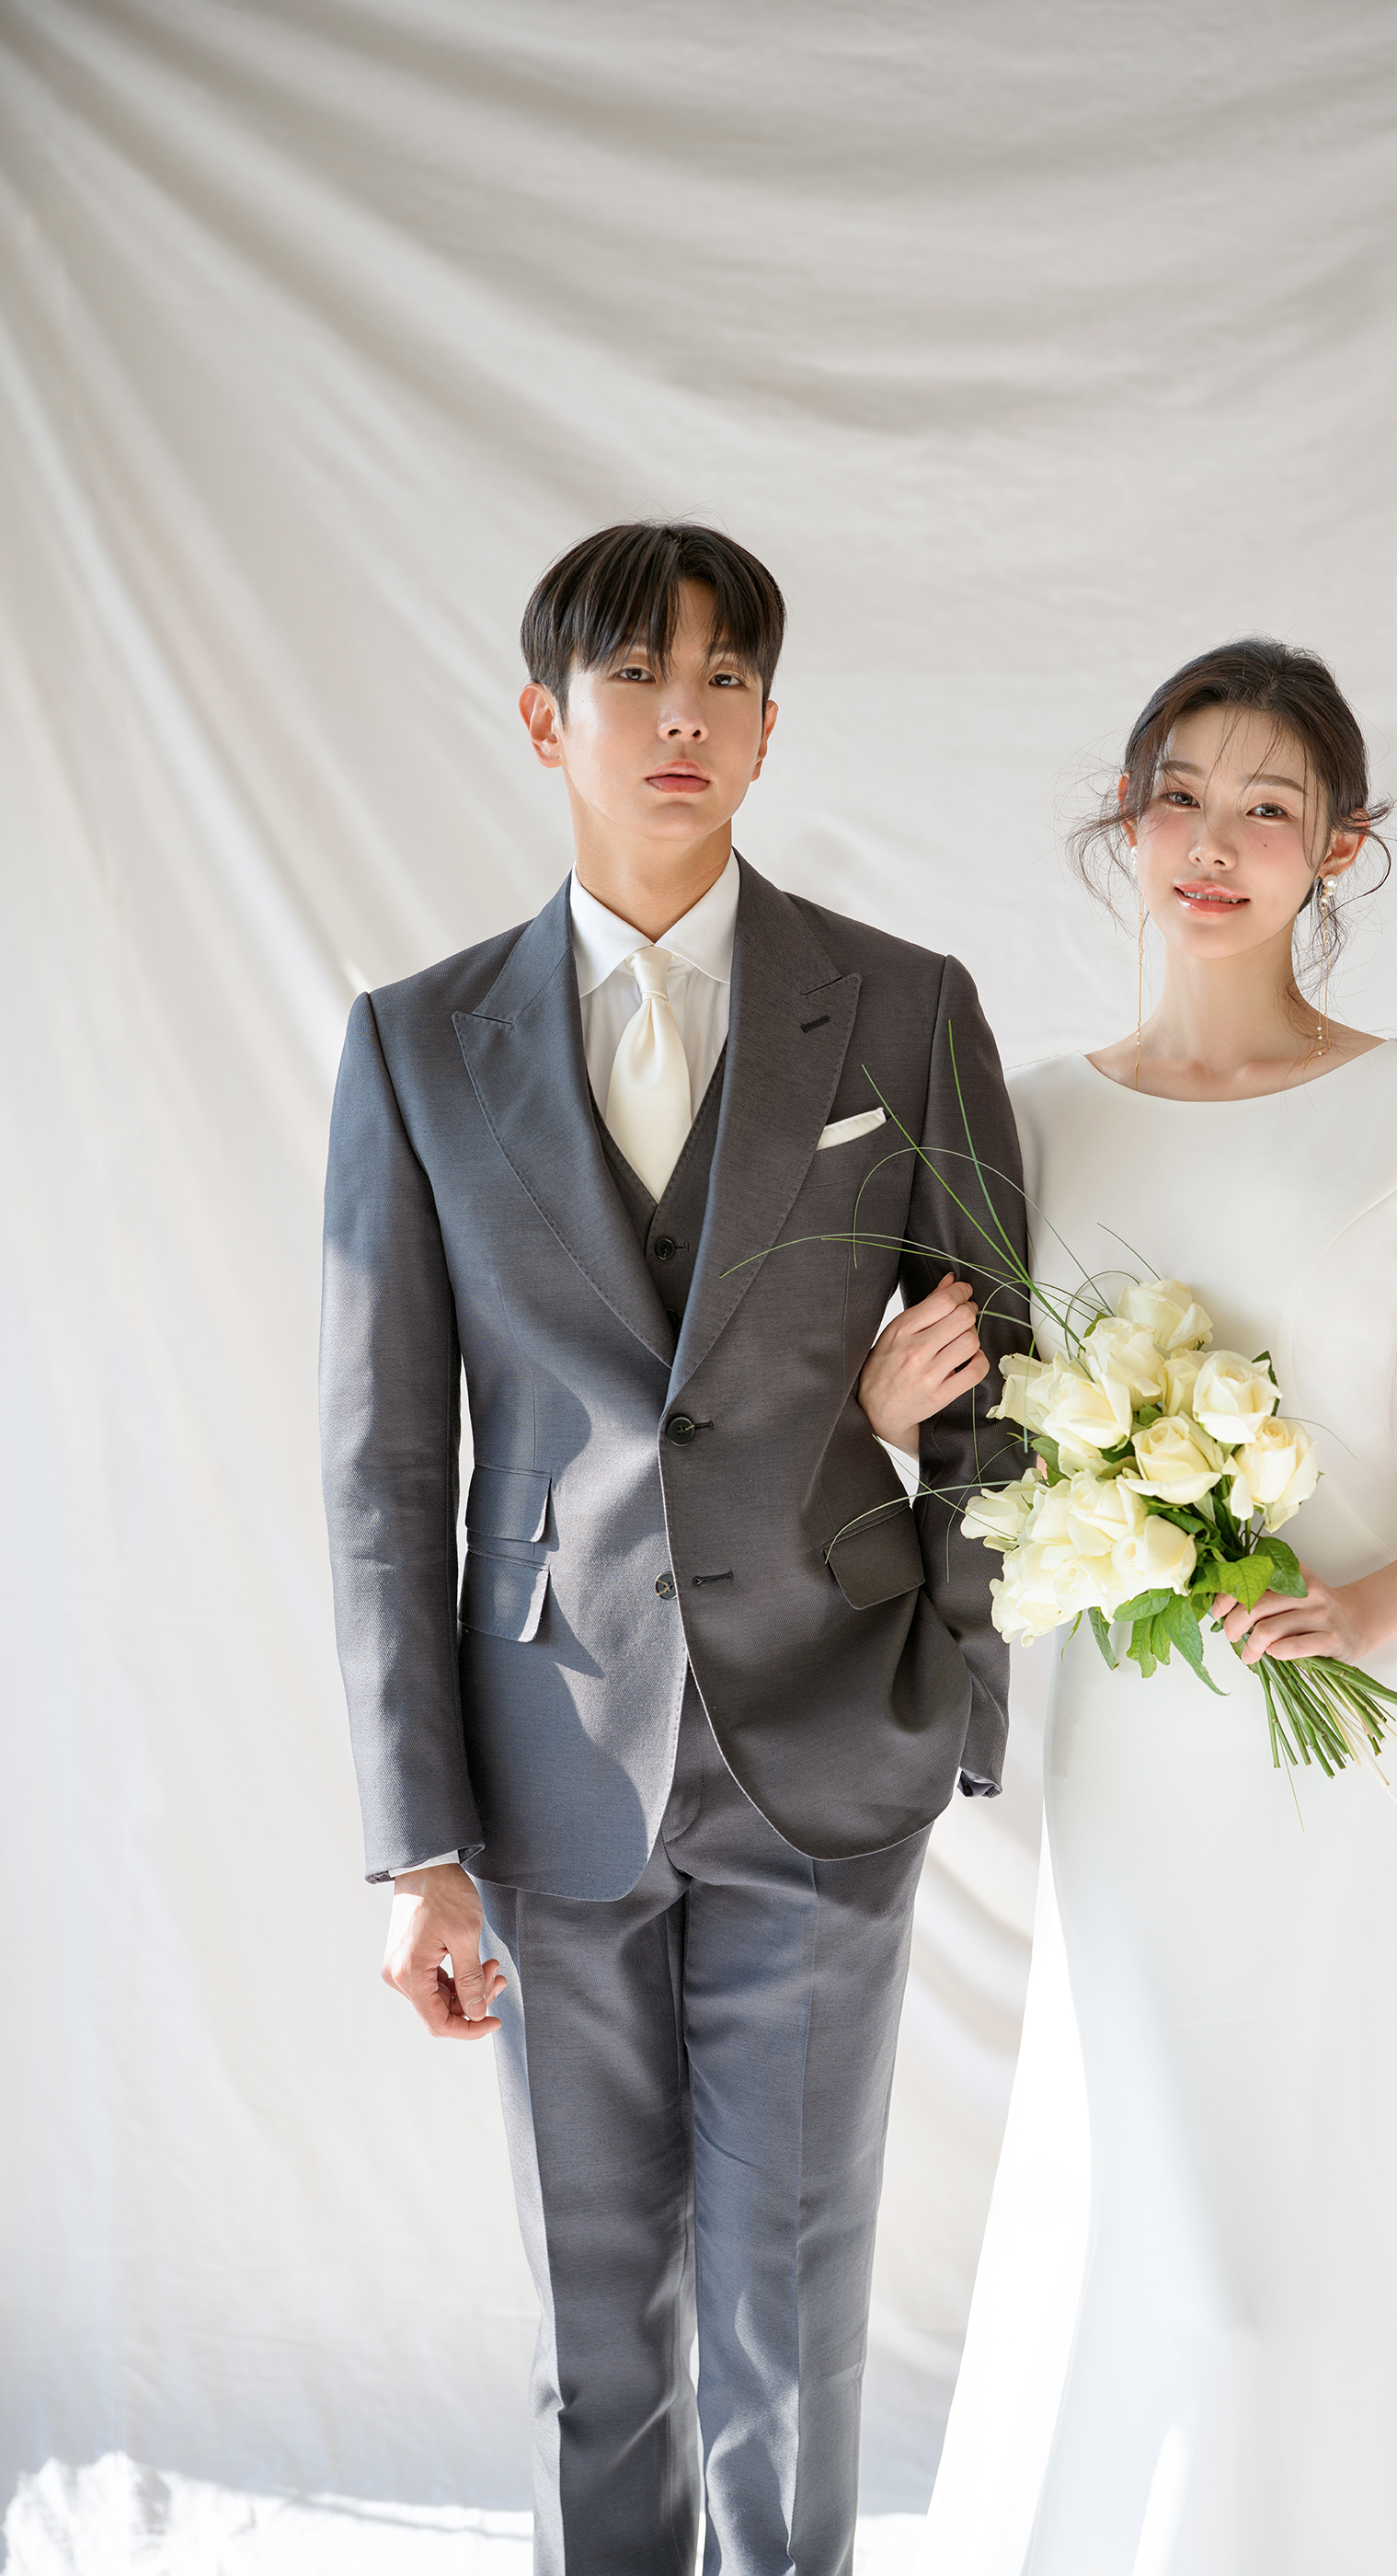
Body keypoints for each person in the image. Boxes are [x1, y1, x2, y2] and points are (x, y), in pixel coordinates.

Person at [870, 639, 1397, 2572]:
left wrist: (1372, 1609)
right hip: (1139, 1750)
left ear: (1339, 848)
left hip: (1366, 1748)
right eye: (1179, 798)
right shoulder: (1030, 1111)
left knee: (1340, 2220)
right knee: (1155, 2210)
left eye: (1268, 809)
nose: (1214, 844)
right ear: (1127, 826)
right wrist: (883, 1406)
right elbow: (965, 1433)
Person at [317, 521, 1025, 2576]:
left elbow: (1001, 1382)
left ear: (772, 729)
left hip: (831, 1742)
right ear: (548, 722)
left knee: (792, 2319)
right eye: (635, 674)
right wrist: (414, 1841)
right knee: (595, 2320)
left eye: (725, 677)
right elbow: (383, 1463)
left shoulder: (903, 1008)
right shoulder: (417, 1043)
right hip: (545, 1763)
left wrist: (956, 1692)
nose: (682, 713)